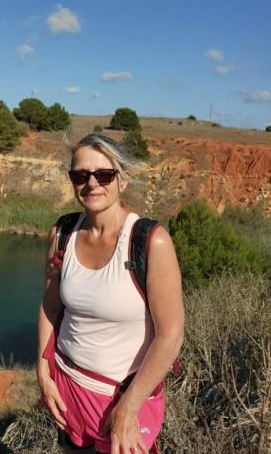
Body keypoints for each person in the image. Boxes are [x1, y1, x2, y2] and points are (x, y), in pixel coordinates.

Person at [37, 133, 184, 454]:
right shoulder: (62, 234)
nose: (91, 183)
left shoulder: (150, 241)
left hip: (122, 397)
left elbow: (170, 336)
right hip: (67, 388)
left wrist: (129, 408)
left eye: (103, 174)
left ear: (123, 180)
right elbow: (50, 306)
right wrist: (43, 370)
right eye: (80, 175)